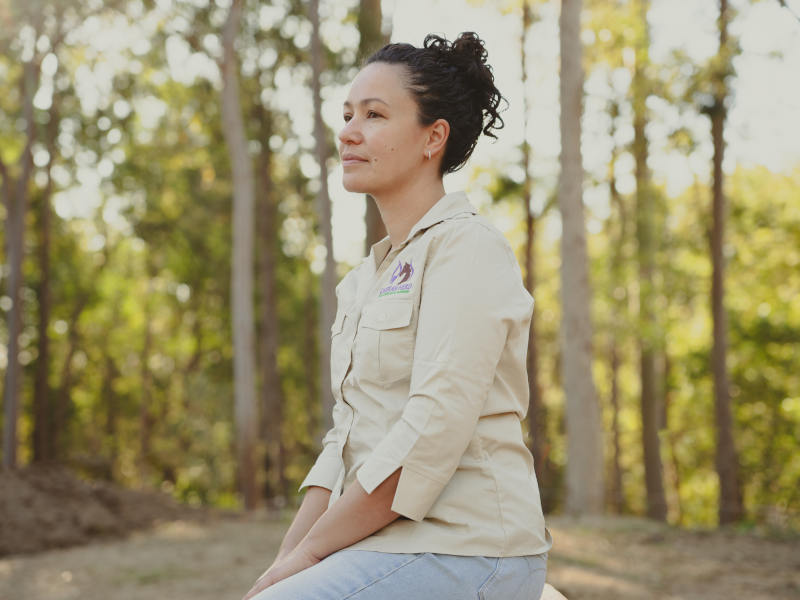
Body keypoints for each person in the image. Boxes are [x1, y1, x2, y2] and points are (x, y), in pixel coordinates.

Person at [243, 31, 553, 600]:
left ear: (433, 137)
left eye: (375, 114)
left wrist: (313, 554)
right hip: (382, 545)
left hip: (469, 547)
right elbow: (345, 439)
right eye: (347, 114)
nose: (349, 132)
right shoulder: (364, 279)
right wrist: (287, 558)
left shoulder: (468, 249)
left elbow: (433, 427)